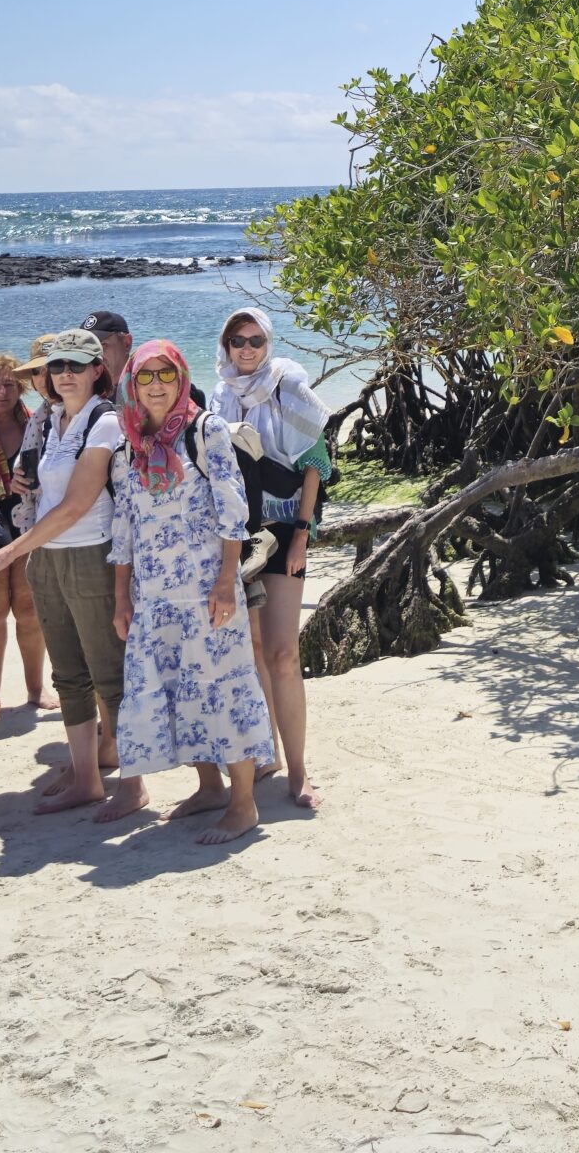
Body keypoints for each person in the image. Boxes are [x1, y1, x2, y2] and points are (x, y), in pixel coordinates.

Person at [108, 340, 274, 844]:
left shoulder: (207, 430)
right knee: (180, 689)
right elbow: (125, 528)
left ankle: (243, 804)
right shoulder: (129, 446)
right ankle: (208, 788)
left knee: (224, 689)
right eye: (145, 376)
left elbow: (233, 509)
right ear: (132, 385)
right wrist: (122, 599)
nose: (156, 385)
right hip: (154, 596)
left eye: (166, 374)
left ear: (181, 379)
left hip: (206, 591)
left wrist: (226, 582)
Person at [0, 329, 132, 819]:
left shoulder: (105, 421)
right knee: (68, 675)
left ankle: (132, 783)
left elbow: (76, 505)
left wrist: (7, 554)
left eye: (76, 365)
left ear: (96, 370)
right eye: (57, 365)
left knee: (109, 673)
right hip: (47, 558)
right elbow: (44, 494)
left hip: (90, 555)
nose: (65, 374)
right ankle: (86, 777)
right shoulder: (51, 421)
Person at [213, 307, 331, 812]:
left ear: (268, 342)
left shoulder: (287, 385)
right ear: (226, 345)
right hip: (239, 531)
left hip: (285, 528)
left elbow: (316, 463)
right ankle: (269, 754)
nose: (246, 349)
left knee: (283, 654)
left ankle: (300, 772)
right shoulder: (219, 393)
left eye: (255, 340)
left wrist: (302, 534)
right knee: (254, 649)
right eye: (237, 340)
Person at [0, 351, 53, 715]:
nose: (1, 392)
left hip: (30, 519)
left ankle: (35, 689)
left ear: (20, 388)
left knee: (30, 608)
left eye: (8, 385)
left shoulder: (38, 425)